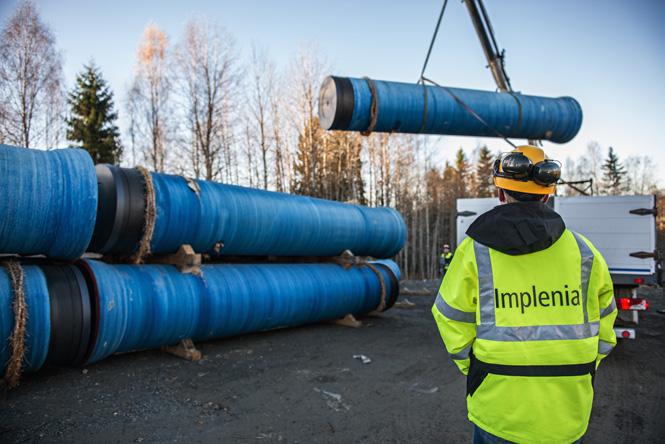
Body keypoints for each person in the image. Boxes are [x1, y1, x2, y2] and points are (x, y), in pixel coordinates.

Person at [431, 145, 617, 443]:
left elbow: (448, 316)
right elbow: (606, 330)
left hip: (498, 412)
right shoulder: (586, 254)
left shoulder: (473, 251)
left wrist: (477, 369)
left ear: (500, 193)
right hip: (566, 414)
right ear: (547, 194)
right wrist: (577, 368)